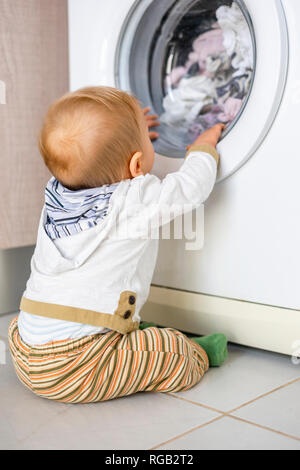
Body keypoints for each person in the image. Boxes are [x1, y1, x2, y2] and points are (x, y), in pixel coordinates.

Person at [8, 86, 227, 404]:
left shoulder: (56, 196)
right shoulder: (132, 199)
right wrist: (203, 149)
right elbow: (190, 188)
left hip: (25, 347)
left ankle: (132, 342)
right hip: (76, 365)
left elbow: (96, 157)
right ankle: (197, 352)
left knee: (128, 334)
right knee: (174, 355)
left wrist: (128, 137)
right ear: (136, 167)